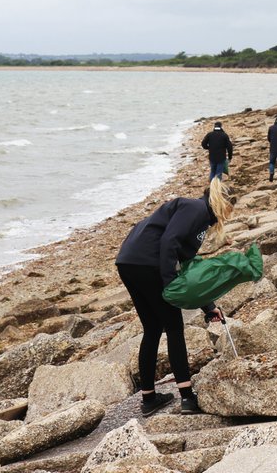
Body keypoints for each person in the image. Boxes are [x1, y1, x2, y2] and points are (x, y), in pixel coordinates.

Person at [115, 177, 233, 415]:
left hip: (129, 262)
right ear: (223, 202)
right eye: (231, 209)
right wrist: (170, 284)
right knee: (174, 327)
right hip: (148, 263)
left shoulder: (198, 218)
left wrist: (208, 306)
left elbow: (189, 269)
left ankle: (149, 399)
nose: (229, 215)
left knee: (152, 328)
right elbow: (169, 241)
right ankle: (187, 398)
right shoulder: (196, 208)